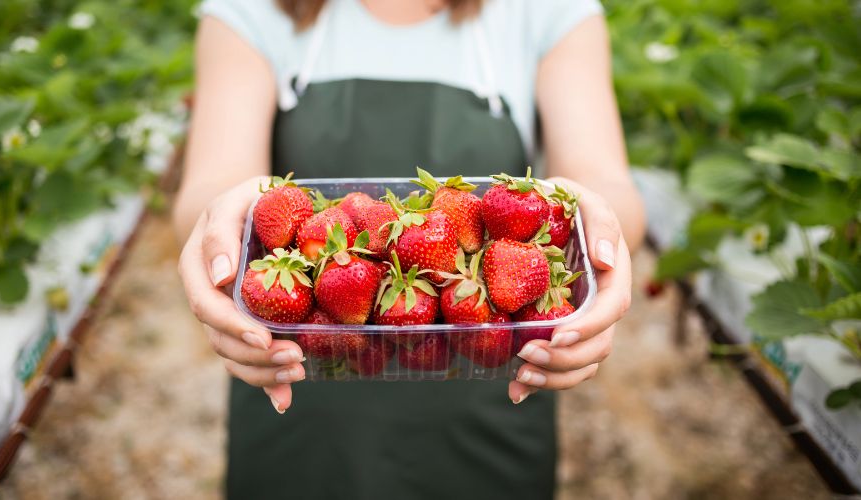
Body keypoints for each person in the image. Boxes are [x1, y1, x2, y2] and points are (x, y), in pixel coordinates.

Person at [174, 0, 645, 498]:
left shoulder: (544, 9)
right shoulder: (251, 9)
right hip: (296, 377)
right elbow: (208, 192)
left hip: (492, 385)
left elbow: (609, 186)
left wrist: (593, 216)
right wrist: (220, 222)